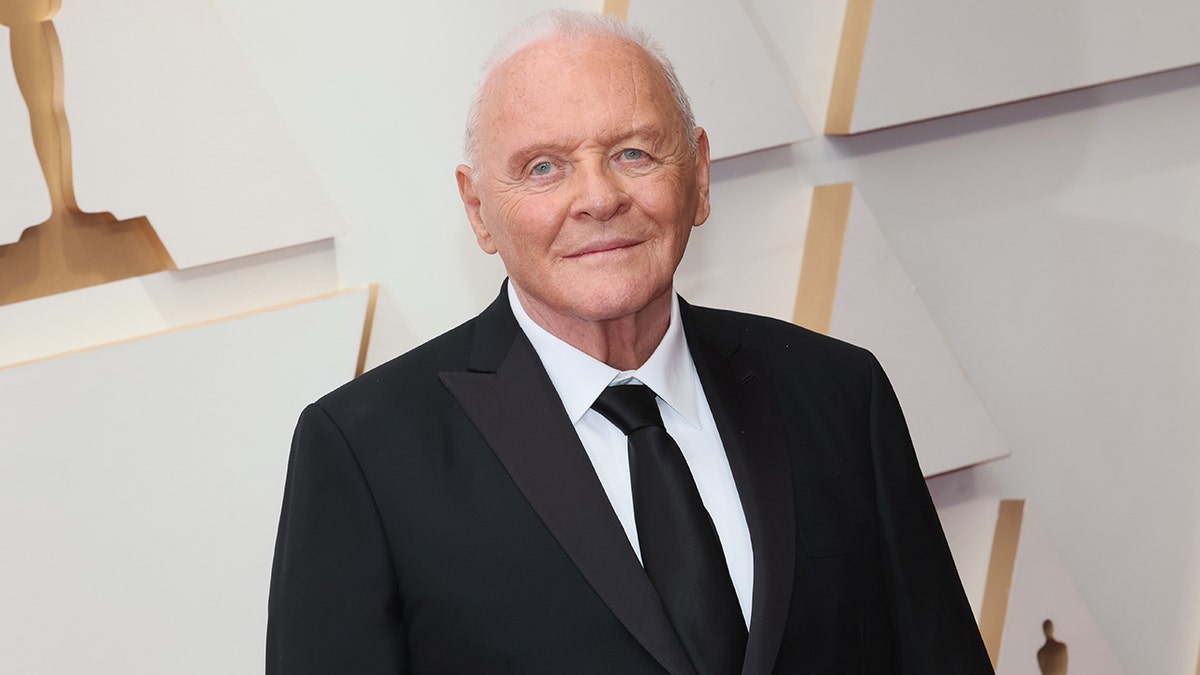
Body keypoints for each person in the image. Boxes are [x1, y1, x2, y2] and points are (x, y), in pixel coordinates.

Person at [267, 10, 994, 674]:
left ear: (700, 175)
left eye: (635, 153)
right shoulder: (365, 453)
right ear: (478, 209)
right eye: (544, 167)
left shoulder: (839, 391)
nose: (599, 197)